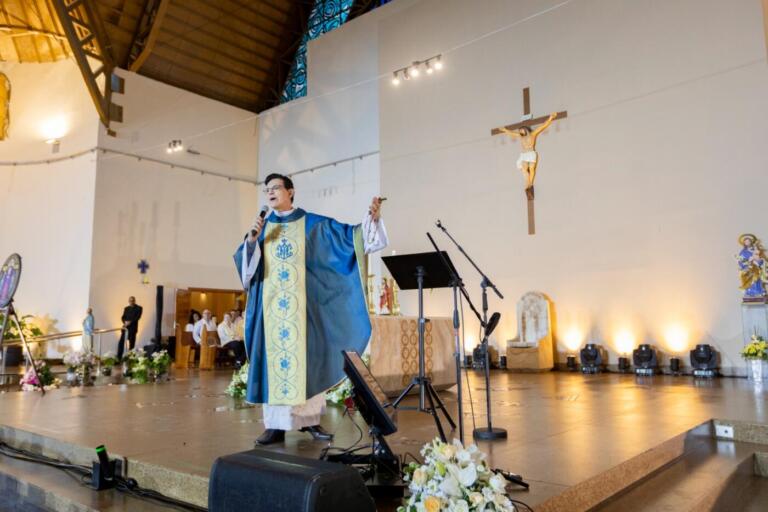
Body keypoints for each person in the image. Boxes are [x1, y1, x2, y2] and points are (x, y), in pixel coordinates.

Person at [235, 173, 387, 445]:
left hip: (304, 313)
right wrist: (251, 242)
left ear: (291, 191)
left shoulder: (312, 225)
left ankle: (310, 421)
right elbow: (247, 272)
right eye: (267, 190)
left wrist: (371, 220)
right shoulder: (262, 229)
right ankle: (276, 426)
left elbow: (348, 238)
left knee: (310, 362)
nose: (270, 193)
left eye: (276, 188)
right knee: (276, 366)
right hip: (272, 315)